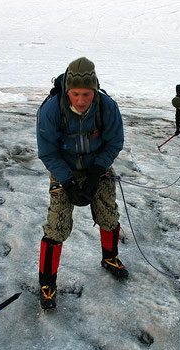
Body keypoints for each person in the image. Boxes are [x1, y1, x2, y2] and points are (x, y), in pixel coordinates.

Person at [36, 57, 128, 310]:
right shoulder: (51, 110)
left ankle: (110, 259)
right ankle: (47, 283)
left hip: (97, 166)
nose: (80, 99)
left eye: (86, 93)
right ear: (67, 90)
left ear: (95, 89)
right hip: (63, 168)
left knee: (109, 214)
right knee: (57, 226)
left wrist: (97, 172)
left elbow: (114, 143)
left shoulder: (107, 107)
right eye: (75, 94)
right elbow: (48, 152)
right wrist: (68, 183)